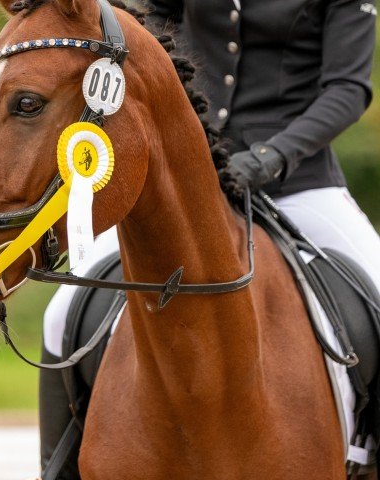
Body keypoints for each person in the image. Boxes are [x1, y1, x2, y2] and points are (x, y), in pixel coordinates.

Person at [39, 0, 380, 475]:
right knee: (60, 314)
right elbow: (152, 28)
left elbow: (347, 90)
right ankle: (57, 467)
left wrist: (271, 156)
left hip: (301, 181)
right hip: (192, 183)